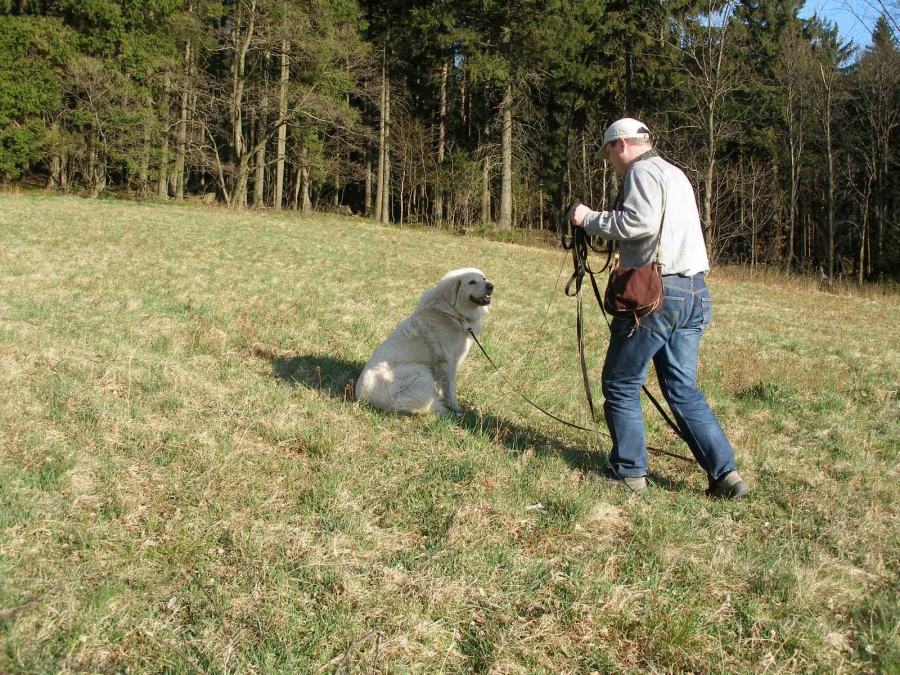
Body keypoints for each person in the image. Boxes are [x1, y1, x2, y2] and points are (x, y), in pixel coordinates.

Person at [570, 117, 749, 500]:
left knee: (620, 383)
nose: (611, 163)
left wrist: (588, 219)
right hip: (694, 292)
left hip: (656, 294)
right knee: (683, 389)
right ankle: (726, 475)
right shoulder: (675, 174)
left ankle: (629, 474)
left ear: (620, 144)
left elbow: (639, 223)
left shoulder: (641, 171)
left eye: (609, 154)